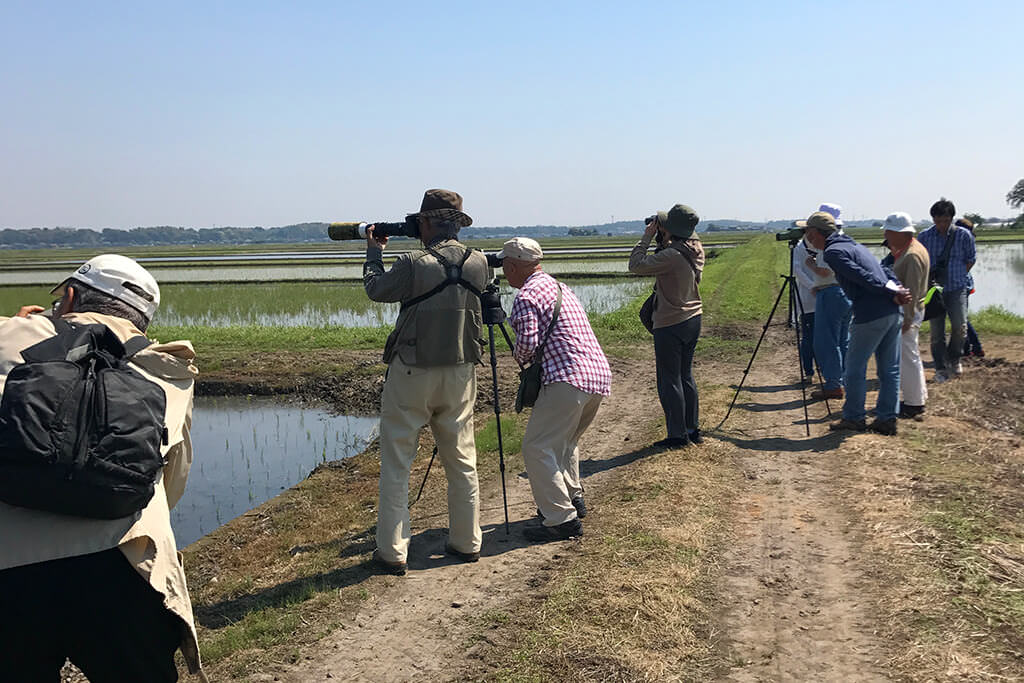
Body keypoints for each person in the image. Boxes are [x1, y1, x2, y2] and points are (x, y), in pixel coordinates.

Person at [0, 255, 204, 682]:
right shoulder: (169, 369)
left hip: (10, 571)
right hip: (124, 565)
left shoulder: (6, 335)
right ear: (141, 321)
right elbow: (172, 484)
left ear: (70, 296)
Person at [363, 189, 490, 575]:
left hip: (413, 371)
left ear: (428, 222)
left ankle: (393, 551)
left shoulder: (413, 262)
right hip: (460, 371)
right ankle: (466, 542)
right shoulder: (480, 263)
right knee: (462, 459)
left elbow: (376, 289)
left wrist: (373, 251)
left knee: (398, 462)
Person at [500, 237, 611, 542]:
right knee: (565, 442)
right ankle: (573, 497)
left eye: (504, 266)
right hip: (596, 376)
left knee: (537, 447)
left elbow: (526, 346)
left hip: (566, 378)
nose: (503, 274)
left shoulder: (527, 296)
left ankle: (561, 518)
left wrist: (518, 352)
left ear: (512, 265)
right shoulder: (560, 287)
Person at [801, 212, 911, 435]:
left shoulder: (833, 252)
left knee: (853, 368)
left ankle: (854, 417)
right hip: (892, 311)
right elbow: (883, 271)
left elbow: (859, 275)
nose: (806, 237)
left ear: (814, 233)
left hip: (870, 313)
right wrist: (896, 288)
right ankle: (887, 418)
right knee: (889, 369)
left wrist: (888, 289)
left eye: (807, 232)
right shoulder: (855, 245)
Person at [628, 203, 705, 448]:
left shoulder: (671, 256)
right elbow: (675, 242)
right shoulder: (694, 248)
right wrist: (666, 233)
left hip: (671, 321)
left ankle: (676, 436)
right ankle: (692, 430)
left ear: (670, 229)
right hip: (693, 317)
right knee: (685, 376)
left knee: (669, 379)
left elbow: (636, 265)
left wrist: (647, 237)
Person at [918, 198, 976, 382]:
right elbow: (921, 262)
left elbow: (970, 259)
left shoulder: (963, 235)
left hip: (957, 288)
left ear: (951, 218)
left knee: (960, 327)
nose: (941, 224)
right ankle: (940, 367)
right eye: (937, 220)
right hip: (934, 290)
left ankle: (954, 358)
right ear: (933, 219)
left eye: (945, 220)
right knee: (936, 333)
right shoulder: (925, 237)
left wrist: (958, 275)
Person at [797, 203, 851, 400]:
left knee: (827, 342)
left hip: (831, 294)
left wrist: (810, 264)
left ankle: (833, 384)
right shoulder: (843, 241)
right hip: (844, 293)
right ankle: (844, 379)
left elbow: (827, 271)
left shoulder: (830, 247)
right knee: (843, 341)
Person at [880, 212, 930, 421]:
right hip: (913, 309)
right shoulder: (912, 249)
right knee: (911, 356)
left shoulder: (911, 256)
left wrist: (907, 321)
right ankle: (917, 397)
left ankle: (914, 404)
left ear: (899, 233)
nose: (885, 235)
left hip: (909, 311)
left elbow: (911, 291)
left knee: (908, 358)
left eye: (888, 232)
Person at [955, 218, 984, 358]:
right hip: (965, 282)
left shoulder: (963, 240)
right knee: (962, 317)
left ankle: (974, 348)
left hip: (961, 283)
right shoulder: (968, 239)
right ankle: (969, 348)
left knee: (962, 318)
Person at [791, 231, 818, 381]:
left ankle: (823, 367)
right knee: (808, 337)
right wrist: (812, 286)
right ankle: (808, 371)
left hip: (825, 296)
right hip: (807, 299)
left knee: (824, 336)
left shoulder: (822, 245)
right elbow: (797, 270)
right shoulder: (798, 248)